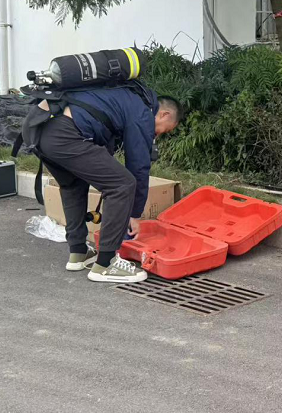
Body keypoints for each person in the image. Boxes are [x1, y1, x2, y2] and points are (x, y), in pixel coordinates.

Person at [23, 85, 183, 283]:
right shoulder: (142, 112)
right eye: (166, 129)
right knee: (122, 185)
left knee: (73, 185)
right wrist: (134, 214)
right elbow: (139, 165)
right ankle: (106, 264)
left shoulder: (122, 98)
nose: (160, 134)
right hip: (66, 133)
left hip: (39, 129)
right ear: (164, 114)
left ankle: (78, 252)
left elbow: (102, 142)